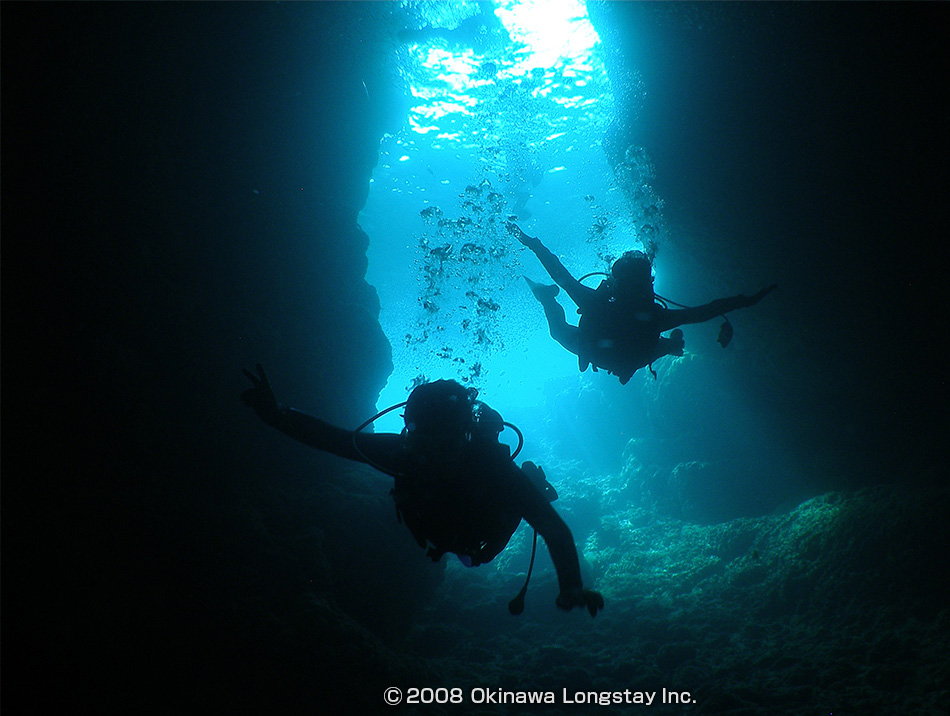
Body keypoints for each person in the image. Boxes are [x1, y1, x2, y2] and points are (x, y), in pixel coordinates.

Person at [241, 365, 603, 617]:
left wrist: (571, 584)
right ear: (411, 433)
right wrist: (277, 414)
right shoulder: (404, 452)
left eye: (445, 442)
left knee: (483, 552)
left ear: (465, 435)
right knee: (467, 544)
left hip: (483, 530)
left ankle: (534, 484)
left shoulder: (491, 466)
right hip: (437, 527)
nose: (435, 452)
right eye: (426, 439)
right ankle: (527, 491)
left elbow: (552, 527)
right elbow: (335, 440)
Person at [508, 223, 777, 384]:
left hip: (617, 356)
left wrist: (533, 244)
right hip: (630, 357)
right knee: (655, 349)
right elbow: (703, 312)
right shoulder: (654, 316)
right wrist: (745, 301)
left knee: (558, 331)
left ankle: (670, 345)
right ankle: (670, 345)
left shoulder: (598, 304)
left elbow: (561, 275)